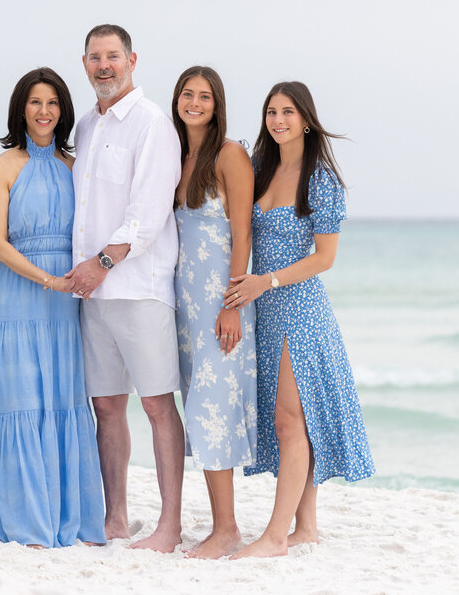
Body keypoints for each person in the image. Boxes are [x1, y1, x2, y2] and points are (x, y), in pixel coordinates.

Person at [223, 81, 374, 559]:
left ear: (306, 119)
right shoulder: (260, 168)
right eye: (271, 111)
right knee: (292, 424)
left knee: (290, 423)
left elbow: (324, 258)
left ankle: (273, 538)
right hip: (263, 310)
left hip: (300, 310)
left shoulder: (320, 179)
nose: (278, 120)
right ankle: (305, 527)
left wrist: (264, 281)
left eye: (288, 111)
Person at [66, 24, 184, 553]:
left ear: (133, 59)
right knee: (107, 407)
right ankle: (115, 519)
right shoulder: (87, 126)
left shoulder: (152, 123)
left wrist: (103, 262)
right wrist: (86, 273)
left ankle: (170, 525)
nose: (104, 66)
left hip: (137, 286)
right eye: (95, 58)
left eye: (113, 56)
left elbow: (149, 211)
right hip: (93, 295)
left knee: (158, 405)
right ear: (84, 63)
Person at [0, 68, 105, 548]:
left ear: (64, 111)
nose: (44, 111)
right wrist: (49, 280)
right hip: (18, 296)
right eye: (35, 102)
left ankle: (72, 517)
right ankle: (29, 523)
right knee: (21, 402)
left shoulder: (76, 165)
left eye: (53, 103)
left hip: (67, 302)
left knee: (63, 400)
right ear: (21, 108)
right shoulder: (4, 166)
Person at [170, 66, 258, 559]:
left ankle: (227, 529)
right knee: (198, 413)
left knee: (212, 411)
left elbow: (241, 234)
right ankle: (221, 525)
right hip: (185, 309)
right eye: (188, 94)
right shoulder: (179, 155)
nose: (195, 103)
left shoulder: (231, 154)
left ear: (217, 103)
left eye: (205, 96)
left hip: (221, 308)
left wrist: (232, 306)